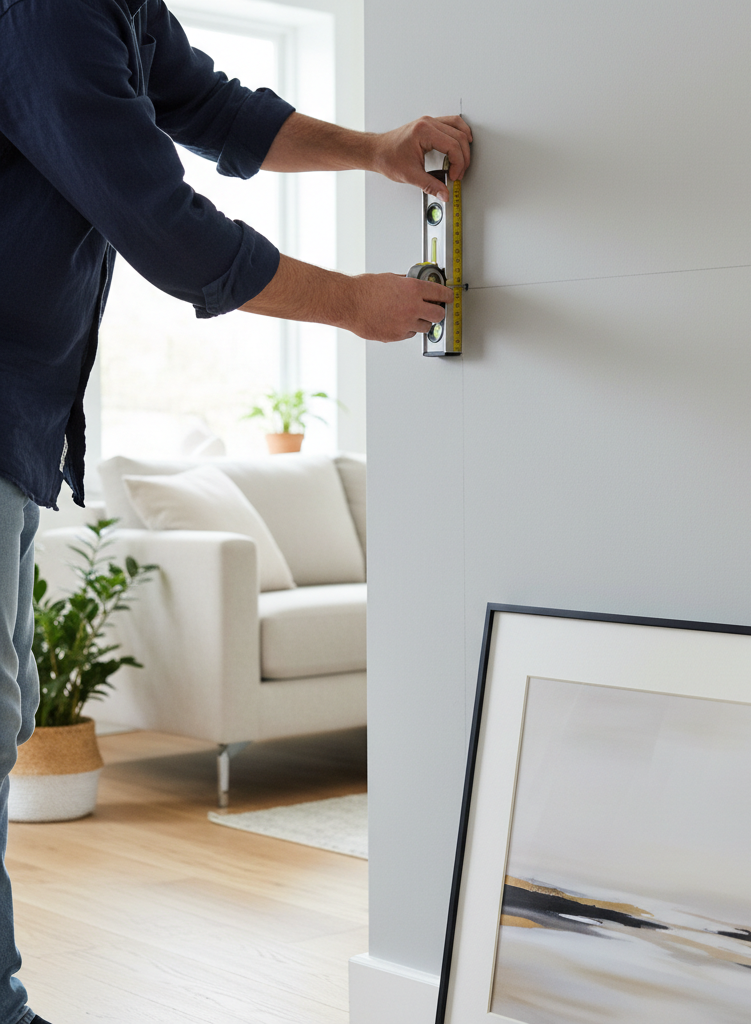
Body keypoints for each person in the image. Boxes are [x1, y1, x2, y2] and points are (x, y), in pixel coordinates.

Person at [0, 1, 472, 1020]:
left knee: (8, 707)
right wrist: (352, 303)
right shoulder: (49, 8)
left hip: (19, 420)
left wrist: (375, 151)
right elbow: (160, 220)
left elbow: (214, 109)